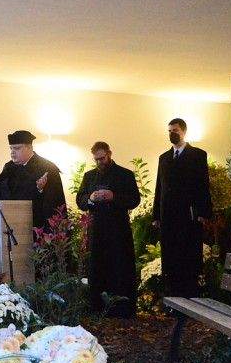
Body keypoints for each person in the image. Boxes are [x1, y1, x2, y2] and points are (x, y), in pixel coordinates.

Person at [76, 142, 141, 317]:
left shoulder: (125, 174)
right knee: (97, 268)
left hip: (118, 231)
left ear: (109, 154)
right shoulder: (89, 176)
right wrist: (90, 197)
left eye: (102, 158)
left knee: (119, 267)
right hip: (96, 230)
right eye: (96, 159)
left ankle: (122, 309)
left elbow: (134, 199)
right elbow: (80, 200)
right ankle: (97, 308)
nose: (99, 163)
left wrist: (114, 197)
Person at [152, 118, 212, 298]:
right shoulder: (164, 158)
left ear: (183, 132)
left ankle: (190, 296)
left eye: (175, 131)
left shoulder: (197, 155)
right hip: (168, 217)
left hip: (188, 216)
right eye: (170, 131)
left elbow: (203, 185)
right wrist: (156, 216)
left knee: (188, 257)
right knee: (171, 259)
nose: (172, 134)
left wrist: (204, 212)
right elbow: (159, 188)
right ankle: (173, 297)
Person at [0, 129, 66, 234]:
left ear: (29, 148)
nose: (12, 152)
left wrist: (41, 190)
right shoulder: (10, 167)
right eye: (11, 148)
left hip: (36, 227)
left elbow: (53, 201)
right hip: (12, 225)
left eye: (17, 148)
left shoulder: (47, 167)